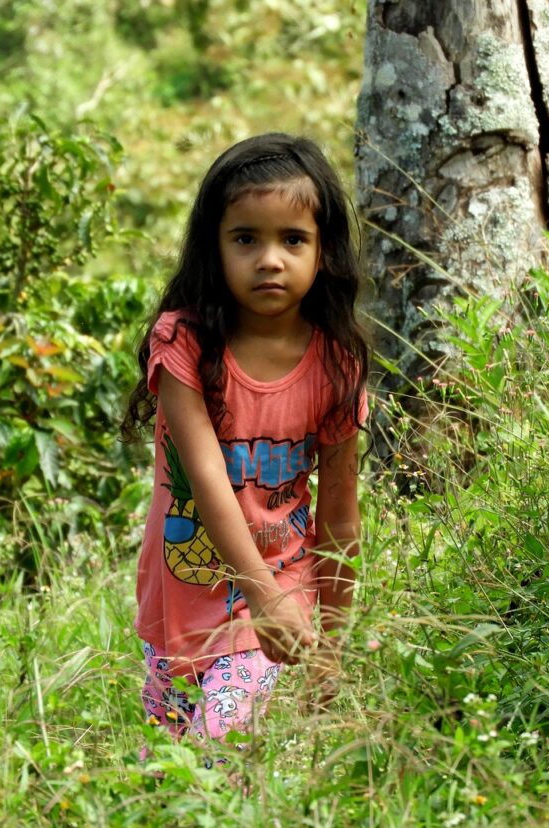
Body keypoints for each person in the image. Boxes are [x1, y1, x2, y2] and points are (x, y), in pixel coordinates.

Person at [120, 133, 369, 749]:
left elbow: (340, 510)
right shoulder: (184, 343)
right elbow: (206, 476)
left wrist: (329, 642)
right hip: (178, 599)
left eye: (293, 239)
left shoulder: (336, 364)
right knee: (168, 773)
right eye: (246, 239)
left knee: (217, 755)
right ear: (216, 247)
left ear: (323, 251)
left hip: (278, 601)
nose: (270, 259)